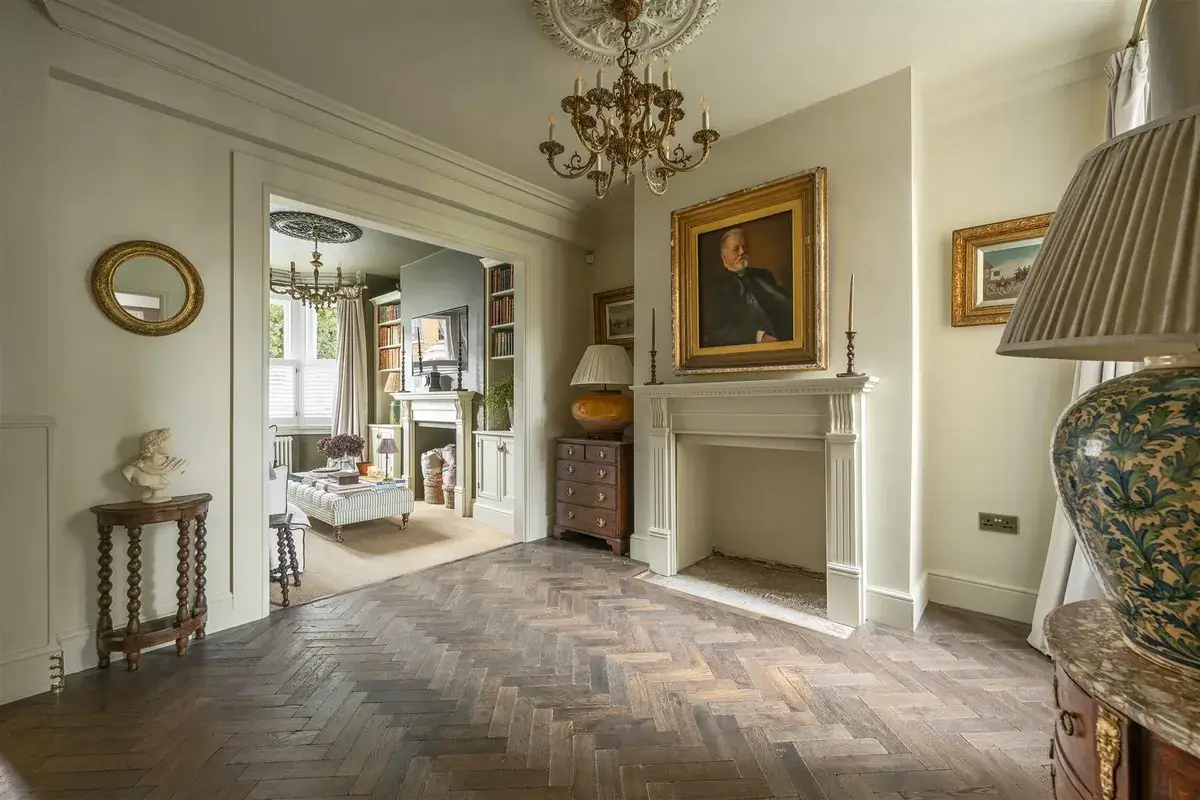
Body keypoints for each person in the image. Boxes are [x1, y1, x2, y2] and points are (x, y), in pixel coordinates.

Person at [700, 227, 793, 347]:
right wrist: (758, 337)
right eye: (736, 249)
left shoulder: (765, 276)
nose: (742, 252)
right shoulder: (713, 286)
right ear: (724, 257)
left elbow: (787, 305)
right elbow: (717, 332)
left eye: (745, 247)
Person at [122, 428, 188, 504]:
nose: (172, 444)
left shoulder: (178, 465)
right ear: (155, 445)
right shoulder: (132, 469)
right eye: (168, 442)